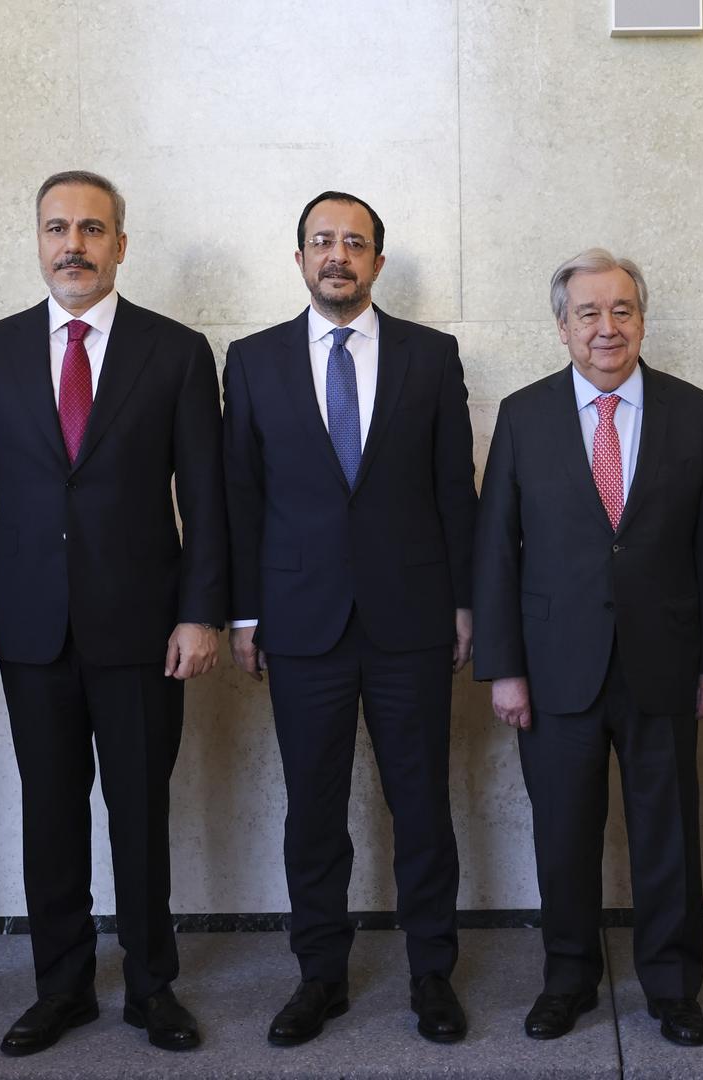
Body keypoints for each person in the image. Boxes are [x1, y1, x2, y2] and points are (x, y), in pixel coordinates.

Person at [0, 170, 227, 1056]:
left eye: (93, 229)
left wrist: (201, 613)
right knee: (50, 814)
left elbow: (208, 500)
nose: (75, 244)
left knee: (140, 815)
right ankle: (60, 989)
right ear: (36, 241)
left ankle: (152, 989)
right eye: (58, 228)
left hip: (145, 630)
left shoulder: (176, 351)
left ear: (120, 245)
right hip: (29, 630)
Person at [221, 191, 477, 1047]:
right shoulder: (252, 361)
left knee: (422, 806)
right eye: (322, 242)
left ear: (377, 260)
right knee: (314, 812)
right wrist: (245, 614)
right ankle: (318, 977)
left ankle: (432, 974)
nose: (338, 255)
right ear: (299, 258)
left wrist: (467, 601)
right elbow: (241, 498)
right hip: (300, 625)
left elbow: (454, 492)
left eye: (355, 243)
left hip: (411, 619)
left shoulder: (430, 356)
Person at [474, 248, 703, 1048]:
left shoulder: (693, 412)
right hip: (555, 670)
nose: (606, 327)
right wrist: (504, 668)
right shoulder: (522, 416)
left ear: (643, 320)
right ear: (561, 327)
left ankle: (671, 985)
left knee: (668, 834)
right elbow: (496, 552)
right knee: (563, 833)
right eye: (587, 313)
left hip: (665, 661)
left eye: (622, 310)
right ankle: (568, 979)